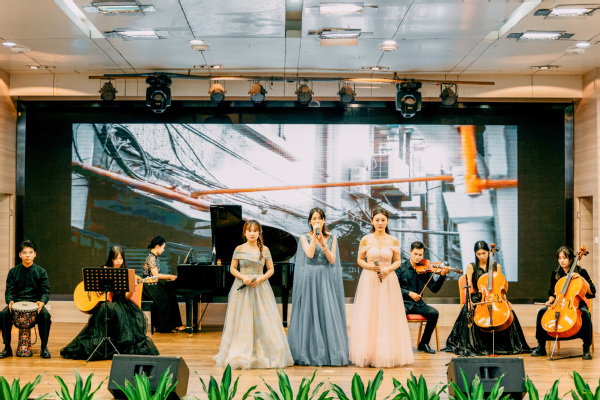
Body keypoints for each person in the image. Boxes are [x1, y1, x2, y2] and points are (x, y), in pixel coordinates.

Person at [214, 220, 293, 370]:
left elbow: (270, 269)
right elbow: (233, 268)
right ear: (244, 232)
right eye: (249, 230)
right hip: (242, 288)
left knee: (262, 319)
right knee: (242, 319)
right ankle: (242, 351)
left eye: (255, 231)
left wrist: (260, 279)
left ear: (259, 233)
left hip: (260, 288)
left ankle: (261, 351)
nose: (252, 233)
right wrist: (243, 277)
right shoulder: (239, 248)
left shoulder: (265, 249)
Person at [60, 245, 159, 360]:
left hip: (122, 304)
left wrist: (132, 288)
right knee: (105, 307)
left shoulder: (126, 272)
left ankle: (115, 347)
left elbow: (127, 296)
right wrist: (97, 289)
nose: (119, 261)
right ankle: (101, 346)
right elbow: (92, 284)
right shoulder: (104, 269)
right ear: (111, 259)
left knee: (109, 308)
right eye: (116, 258)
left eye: (121, 258)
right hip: (106, 303)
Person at [348, 207, 414, 367]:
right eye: (377, 220)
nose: (380, 223)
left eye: (383, 220)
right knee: (369, 314)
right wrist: (370, 267)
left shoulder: (393, 240)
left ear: (387, 221)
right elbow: (359, 260)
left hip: (388, 279)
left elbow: (397, 261)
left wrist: (388, 269)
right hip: (369, 279)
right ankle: (367, 354)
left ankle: (386, 353)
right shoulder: (366, 239)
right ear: (372, 221)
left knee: (387, 314)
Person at [444, 240, 530, 356]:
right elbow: (468, 286)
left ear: (488, 252)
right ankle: (476, 345)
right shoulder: (471, 266)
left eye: (484, 253)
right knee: (469, 312)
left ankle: (503, 345)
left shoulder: (496, 266)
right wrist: (468, 301)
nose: (481, 256)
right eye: (478, 254)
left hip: (495, 296)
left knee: (509, 313)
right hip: (479, 297)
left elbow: (501, 287)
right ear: (475, 254)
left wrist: (506, 300)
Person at [287, 208, 348, 366]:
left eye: (319, 218)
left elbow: (332, 260)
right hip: (310, 278)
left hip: (325, 278)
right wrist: (315, 237)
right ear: (310, 221)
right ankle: (307, 352)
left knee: (326, 311)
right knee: (309, 312)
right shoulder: (304, 237)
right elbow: (309, 254)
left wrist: (324, 244)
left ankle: (328, 353)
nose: (317, 221)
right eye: (314, 219)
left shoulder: (332, 238)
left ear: (324, 221)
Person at [531, 245, 595, 360]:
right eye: (559, 258)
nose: (562, 261)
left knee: (585, 315)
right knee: (542, 312)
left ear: (571, 259)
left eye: (564, 258)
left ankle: (586, 348)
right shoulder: (556, 273)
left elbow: (592, 292)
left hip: (576, 303)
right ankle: (541, 346)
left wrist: (581, 278)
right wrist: (550, 300)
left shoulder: (581, 272)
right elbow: (552, 293)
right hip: (559, 304)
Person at [396, 241, 450, 354]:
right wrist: (409, 293)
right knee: (397, 315)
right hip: (403, 303)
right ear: (410, 252)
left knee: (434, 313)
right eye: (415, 254)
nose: (417, 257)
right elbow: (394, 288)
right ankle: (399, 344)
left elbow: (434, 289)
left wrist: (442, 276)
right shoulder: (400, 267)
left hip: (418, 304)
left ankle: (424, 343)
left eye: (420, 255)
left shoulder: (425, 269)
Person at [0, 240, 51, 359]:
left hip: (35, 304)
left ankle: (44, 347)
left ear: (35, 254)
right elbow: (9, 291)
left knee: (45, 316)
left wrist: (42, 302)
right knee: (4, 314)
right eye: (24, 252)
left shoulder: (41, 272)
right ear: (20, 255)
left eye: (30, 252)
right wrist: (10, 301)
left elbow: (46, 292)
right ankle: (7, 347)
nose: (27, 255)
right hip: (17, 303)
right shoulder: (13, 272)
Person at [142, 236, 186, 333]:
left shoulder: (154, 257)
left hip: (153, 285)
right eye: (163, 247)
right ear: (157, 246)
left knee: (171, 295)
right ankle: (167, 326)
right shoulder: (151, 258)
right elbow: (155, 275)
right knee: (168, 297)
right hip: (149, 287)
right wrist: (170, 276)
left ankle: (174, 324)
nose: (163, 250)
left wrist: (169, 277)